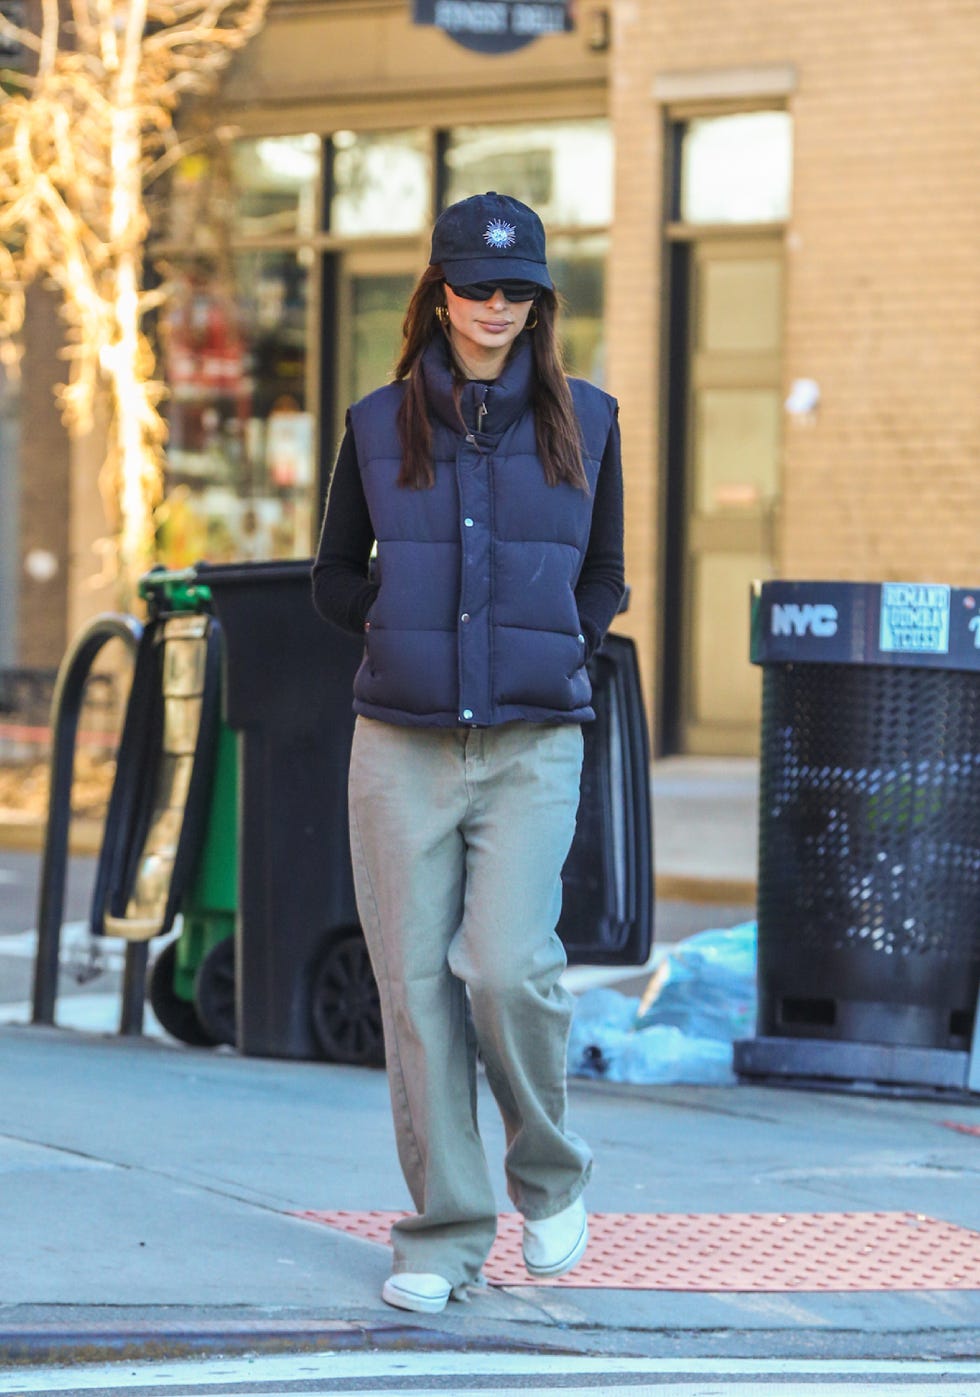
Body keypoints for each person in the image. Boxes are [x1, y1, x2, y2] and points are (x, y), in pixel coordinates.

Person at [312, 191, 625, 1316]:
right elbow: (333, 574)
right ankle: (443, 1234)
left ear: (539, 301)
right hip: (398, 743)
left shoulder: (586, 418)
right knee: (411, 991)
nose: (497, 307)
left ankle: (549, 1172)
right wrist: (396, 620)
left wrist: (566, 639)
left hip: (533, 740)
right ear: (437, 293)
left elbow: (606, 575)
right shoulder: (374, 422)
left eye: (519, 291)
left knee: (501, 966)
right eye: (477, 287)